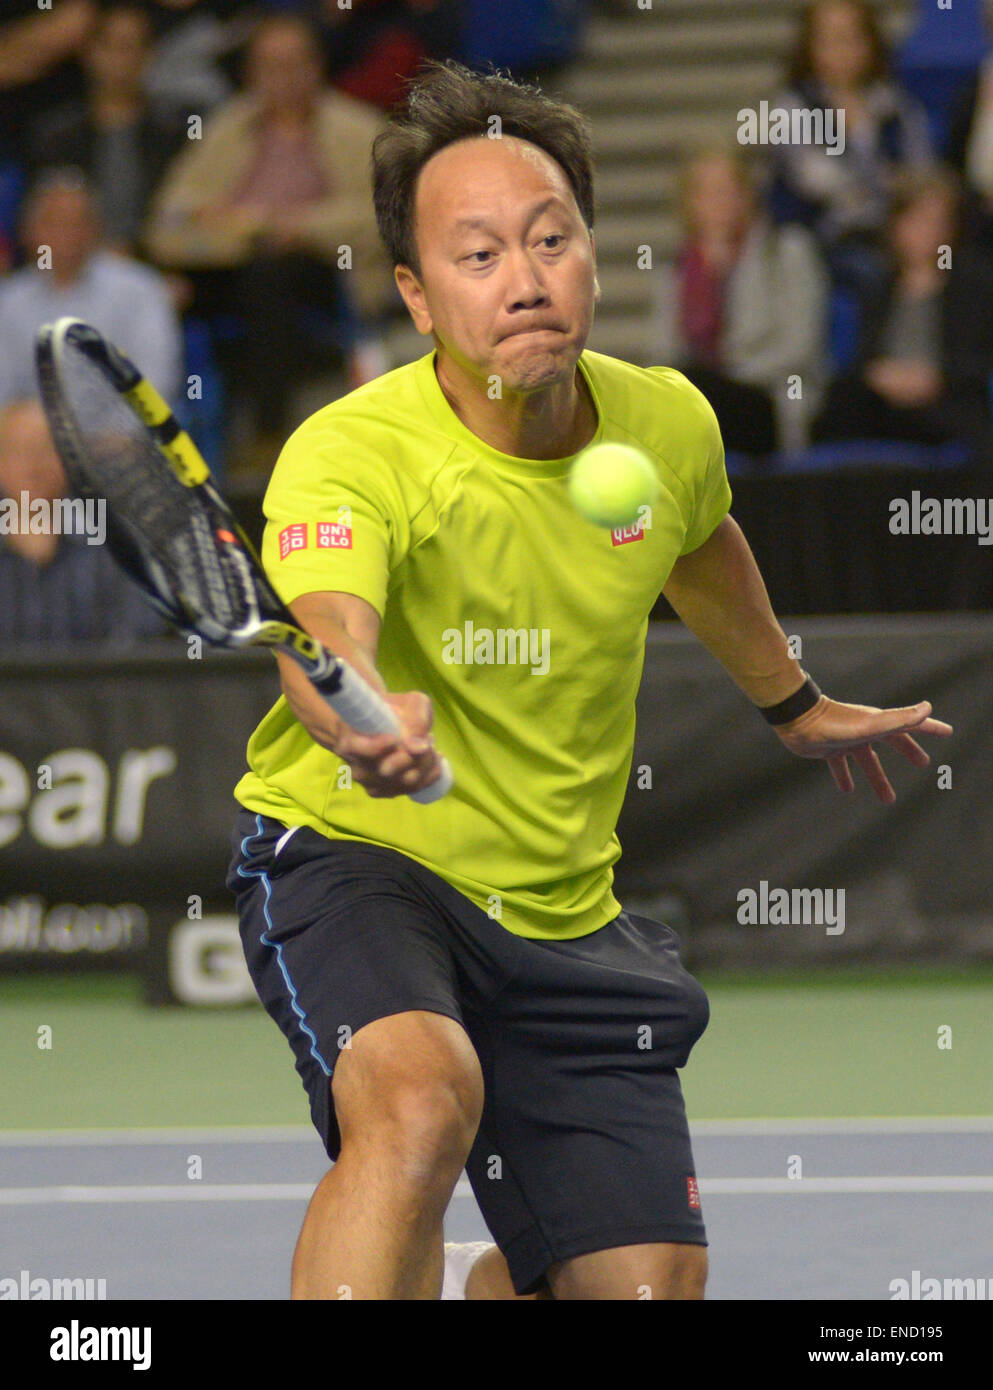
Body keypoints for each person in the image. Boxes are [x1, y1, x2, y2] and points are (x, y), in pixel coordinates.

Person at [225, 59, 952, 1301]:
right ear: (414, 292)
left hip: (565, 907)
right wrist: (360, 712)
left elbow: (704, 542)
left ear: (593, 253)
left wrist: (791, 698)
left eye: (551, 237)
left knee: (647, 1286)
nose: (525, 276)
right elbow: (327, 628)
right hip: (362, 853)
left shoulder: (664, 424)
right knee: (419, 1105)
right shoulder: (353, 451)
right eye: (478, 253)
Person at [144, 12, 397, 469]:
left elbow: (379, 216)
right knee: (153, 287)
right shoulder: (228, 127)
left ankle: (268, 431)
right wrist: (242, 228)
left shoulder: (357, 128)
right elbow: (170, 216)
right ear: (251, 73)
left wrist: (295, 225)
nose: (282, 77)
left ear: (316, 66)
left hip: (323, 269)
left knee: (270, 274)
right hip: (229, 263)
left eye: (293, 63)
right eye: (269, 66)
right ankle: (150, 437)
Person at [652, 147, 830, 455]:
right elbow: (663, 351)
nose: (718, 203)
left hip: (768, 396)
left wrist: (729, 376)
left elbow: (799, 347)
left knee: (703, 392)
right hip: (703, 398)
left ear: (747, 195)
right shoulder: (679, 269)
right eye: (705, 193)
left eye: (727, 190)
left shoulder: (786, 251)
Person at [812, 167, 993, 461]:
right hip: (884, 402)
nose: (929, 232)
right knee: (840, 402)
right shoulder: (879, 288)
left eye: (938, 222)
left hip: (944, 401)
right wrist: (881, 375)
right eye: (918, 220)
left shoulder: (973, 286)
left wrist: (935, 378)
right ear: (897, 225)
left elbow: (978, 362)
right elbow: (861, 360)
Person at [769, 0, 934, 305]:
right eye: (830, 39)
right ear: (810, 46)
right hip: (821, 237)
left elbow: (921, 174)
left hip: (888, 233)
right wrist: (882, 182)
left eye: (852, 38)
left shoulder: (895, 106)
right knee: (871, 271)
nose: (843, 51)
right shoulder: (792, 109)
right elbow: (816, 180)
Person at [0, 168, 183, 409]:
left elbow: (158, 379)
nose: (65, 236)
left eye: (76, 223)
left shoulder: (140, 289)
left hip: (124, 437)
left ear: (96, 228)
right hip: (33, 435)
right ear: (29, 232)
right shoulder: (10, 299)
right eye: (53, 223)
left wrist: (123, 435)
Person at [0, 398, 165, 647]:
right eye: (18, 451)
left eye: (45, 449)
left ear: (72, 458)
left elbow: (133, 651)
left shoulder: (114, 547)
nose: (33, 466)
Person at [27, 3, 187, 254]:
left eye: (130, 47)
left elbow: (183, 212)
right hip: (75, 267)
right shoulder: (55, 135)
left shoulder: (175, 131)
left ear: (149, 54)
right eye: (110, 46)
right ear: (89, 53)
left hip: (155, 266)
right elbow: (41, 221)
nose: (120, 60)